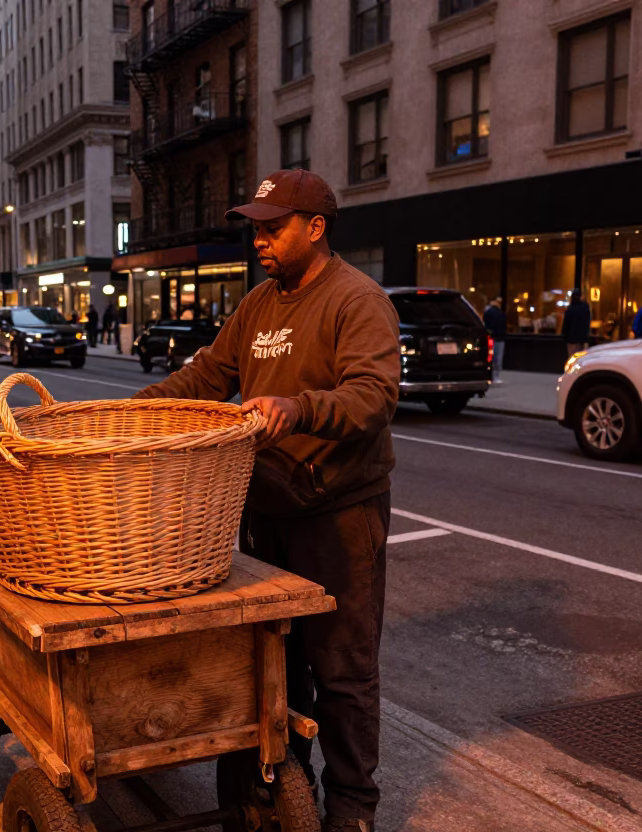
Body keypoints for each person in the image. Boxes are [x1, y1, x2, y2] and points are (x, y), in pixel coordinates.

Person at [135, 169, 400, 832]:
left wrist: (296, 407)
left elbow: (373, 397)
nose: (261, 239)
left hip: (337, 513)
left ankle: (352, 810)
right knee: (274, 669)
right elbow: (206, 377)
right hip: (265, 508)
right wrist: (126, 413)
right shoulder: (257, 305)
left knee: (342, 672)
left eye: (274, 227)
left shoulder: (356, 300)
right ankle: (287, 791)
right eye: (256, 227)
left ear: (316, 227)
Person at [483, 295, 506, 383]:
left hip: (491, 337)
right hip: (499, 338)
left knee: (490, 357)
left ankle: (490, 375)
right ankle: (495, 376)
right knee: (497, 358)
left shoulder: (488, 312)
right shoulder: (500, 313)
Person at [562, 289, 591, 357]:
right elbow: (587, 322)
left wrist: (565, 335)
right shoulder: (585, 308)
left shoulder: (570, 309)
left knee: (573, 358)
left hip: (572, 339)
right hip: (583, 339)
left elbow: (566, 324)